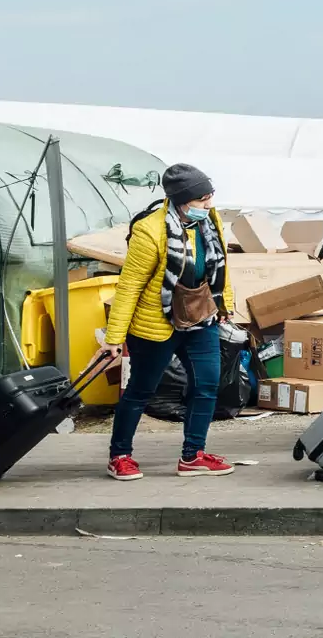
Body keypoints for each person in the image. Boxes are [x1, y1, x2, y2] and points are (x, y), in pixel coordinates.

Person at [99, 164, 235, 481]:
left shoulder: (210, 223)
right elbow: (129, 285)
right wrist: (115, 337)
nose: (209, 205)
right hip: (156, 323)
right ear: (183, 200)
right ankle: (119, 456)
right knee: (141, 390)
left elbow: (221, 266)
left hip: (201, 317)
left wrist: (224, 303)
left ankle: (193, 456)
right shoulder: (150, 231)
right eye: (202, 199)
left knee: (207, 385)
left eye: (210, 196)